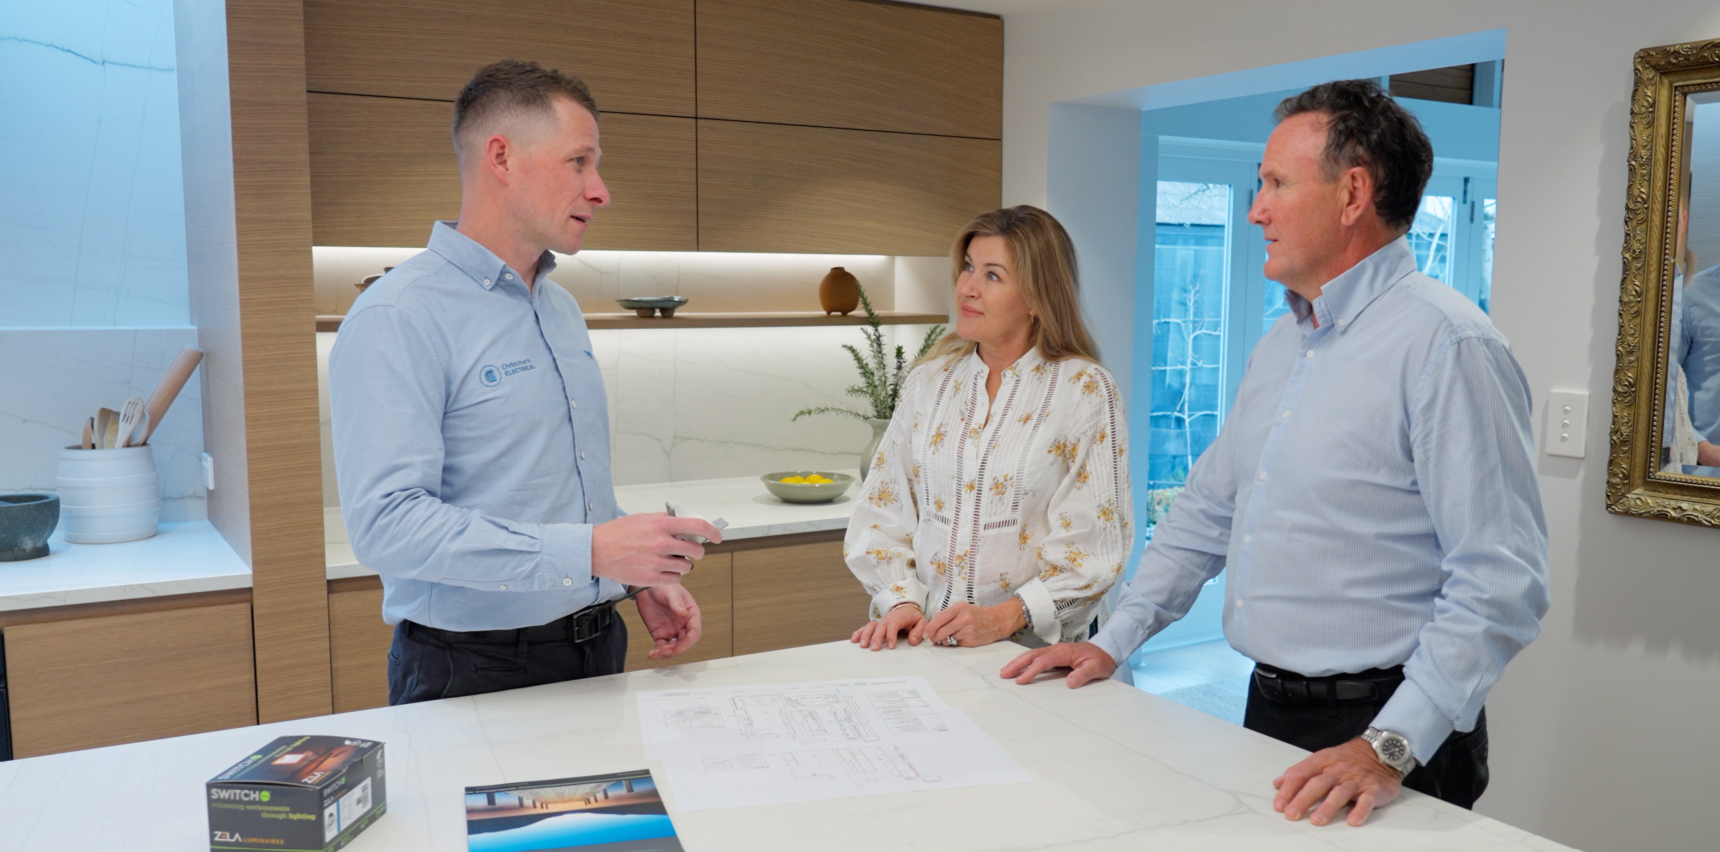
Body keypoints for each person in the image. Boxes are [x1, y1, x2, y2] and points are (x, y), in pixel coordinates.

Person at [1002, 80, 1550, 827]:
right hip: (1266, 704)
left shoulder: (1449, 346)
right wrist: (1115, 641)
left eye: (1275, 184)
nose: (1255, 207)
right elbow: (1204, 515)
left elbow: (1501, 582)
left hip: (1390, 729)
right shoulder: (1281, 342)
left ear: (1353, 192)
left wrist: (1389, 745)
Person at [329, 60, 721, 706]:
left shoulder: (559, 309)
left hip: (598, 645)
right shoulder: (400, 314)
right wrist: (593, 551)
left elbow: (557, 497)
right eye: (579, 162)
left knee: (616, 812)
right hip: (473, 669)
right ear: (502, 158)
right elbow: (388, 524)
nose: (601, 191)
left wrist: (632, 576)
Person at [845, 206, 1132, 651]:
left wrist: (1002, 618)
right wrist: (900, 602)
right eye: (968, 268)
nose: (968, 288)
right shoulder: (928, 382)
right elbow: (882, 508)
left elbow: (1094, 547)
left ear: (1039, 298)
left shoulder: (1084, 390)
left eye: (993, 276)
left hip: (1037, 657)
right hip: (929, 645)